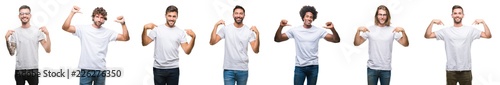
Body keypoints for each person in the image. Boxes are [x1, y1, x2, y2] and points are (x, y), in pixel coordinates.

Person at [61, 5, 130, 85]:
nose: (99, 19)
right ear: (93, 17)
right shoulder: (83, 29)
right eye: (97, 16)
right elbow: (65, 27)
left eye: (102, 17)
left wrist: (123, 24)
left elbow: (125, 38)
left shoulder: (108, 33)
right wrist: (72, 13)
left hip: (101, 71)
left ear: (104, 20)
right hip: (86, 70)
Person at [424, 5, 492, 85]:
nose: (457, 15)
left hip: (466, 70)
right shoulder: (446, 31)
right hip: (451, 70)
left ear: (463, 15)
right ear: (452, 15)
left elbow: (488, 35)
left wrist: (483, 22)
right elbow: (427, 36)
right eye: (455, 13)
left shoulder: (470, 30)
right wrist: (432, 22)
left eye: (459, 13)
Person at [274, 5, 340, 85]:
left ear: (313, 19)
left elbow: (336, 40)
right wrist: (281, 27)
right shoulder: (295, 30)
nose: (309, 18)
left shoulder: (318, 31)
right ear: (303, 17)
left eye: (311, 17)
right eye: (307, 16)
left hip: (313, 66)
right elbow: (278, 39)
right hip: (299, 67)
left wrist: (332, 29)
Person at [353, 5, 409, 85]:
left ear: (387, 16)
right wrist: (358, 31)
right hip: (372, 68)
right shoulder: (370, 29)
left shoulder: (392, 30)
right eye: (380, 14)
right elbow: (357, 43)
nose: (382, 17)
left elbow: (405, 44)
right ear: (376, 16)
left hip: (386, 69)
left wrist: (403, 32)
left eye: (384, 15)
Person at [142, 5, 196, 85]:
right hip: (158, 68)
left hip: (173, 69)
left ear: (177, 17)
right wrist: (145, 29)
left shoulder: (180, 32)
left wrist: (193, 37)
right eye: (169, 16)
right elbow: (144, 43)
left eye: (174, 16)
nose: (171, 18)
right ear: (165, 16)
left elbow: (187, 51)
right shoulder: (157, 29)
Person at [209, 5, 260, 85]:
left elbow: (256, 50)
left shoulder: (248, 31)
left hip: (243, 69)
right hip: (228, 69)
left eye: (240, 13)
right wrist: (216, 26)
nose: (238, 15)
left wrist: (257, 35)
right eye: (236, 13)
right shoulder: (226, 29)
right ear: (233, 15)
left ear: (244, 15)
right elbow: (212, 42)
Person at [5, 5, 51, 85]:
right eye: (22, 14)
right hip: (19, 69)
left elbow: (48, 50)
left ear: (30, 15)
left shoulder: (37, 31)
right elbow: (12, 52)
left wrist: (47, 35)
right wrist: (6, 39)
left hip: (33, 69)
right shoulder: (15, 32)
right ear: (19, 16)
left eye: (26, 13)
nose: (24, 16)